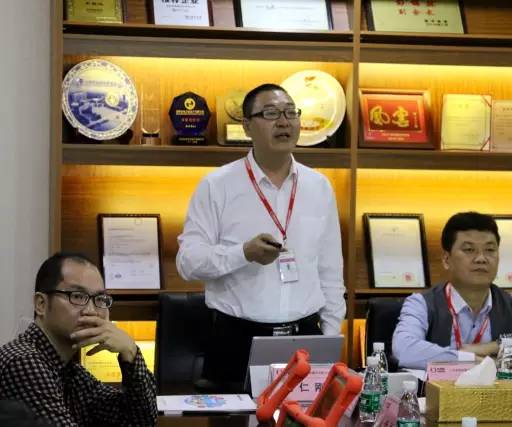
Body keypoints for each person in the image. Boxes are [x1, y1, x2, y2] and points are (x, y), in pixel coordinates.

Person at [176, 83, 345, 387]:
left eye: (290, 112)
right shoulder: (217, 185)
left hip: (305, 338)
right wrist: (242, 253)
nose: (283, 122)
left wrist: (329, 339)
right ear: (247, 126)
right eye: (270, 113)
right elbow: (188, 262)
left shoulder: (319, 187)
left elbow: (330, 271)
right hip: (235, 340)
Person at [392, 212, 512, 371]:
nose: (481, 258)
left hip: (498, 395)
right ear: (446, 259)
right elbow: (404, 349)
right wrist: (466, 359)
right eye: (469, 250)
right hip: (438, 395)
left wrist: (497, 347)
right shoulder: (421, 303)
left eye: (490, 250)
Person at [0, 253, 157, 426]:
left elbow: (139, 421)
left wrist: (130, 352)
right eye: (77, 296)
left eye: (99, 299)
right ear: (41, 304)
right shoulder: (24, 361)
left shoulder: (70, 370)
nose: (91, 311)